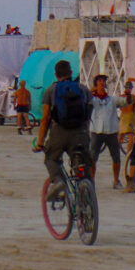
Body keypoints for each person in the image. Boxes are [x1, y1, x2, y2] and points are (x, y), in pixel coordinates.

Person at [33, 60, 92, 199]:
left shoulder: (50, 91)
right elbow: (89, 114)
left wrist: (40, 142)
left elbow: (45, 119)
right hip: (80, 133)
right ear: (71, 73)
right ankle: (89, 200)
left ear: (55, 74)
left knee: (50, 158)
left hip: (59, 132)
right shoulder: (83, 89)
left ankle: (58, 182)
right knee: (83, 165)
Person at [89, 74, 126, 190]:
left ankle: (116, 180)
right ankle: (91, 180)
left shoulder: (111, 99)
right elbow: (83, 98)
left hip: (111, 131)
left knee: (116, 157)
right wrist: (92, 91)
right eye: (99, 81)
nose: (102, 83)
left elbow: (124, 102)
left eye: (103, 81)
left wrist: (129, 94)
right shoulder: (92, 100)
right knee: (92, 157)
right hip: (96, 130)